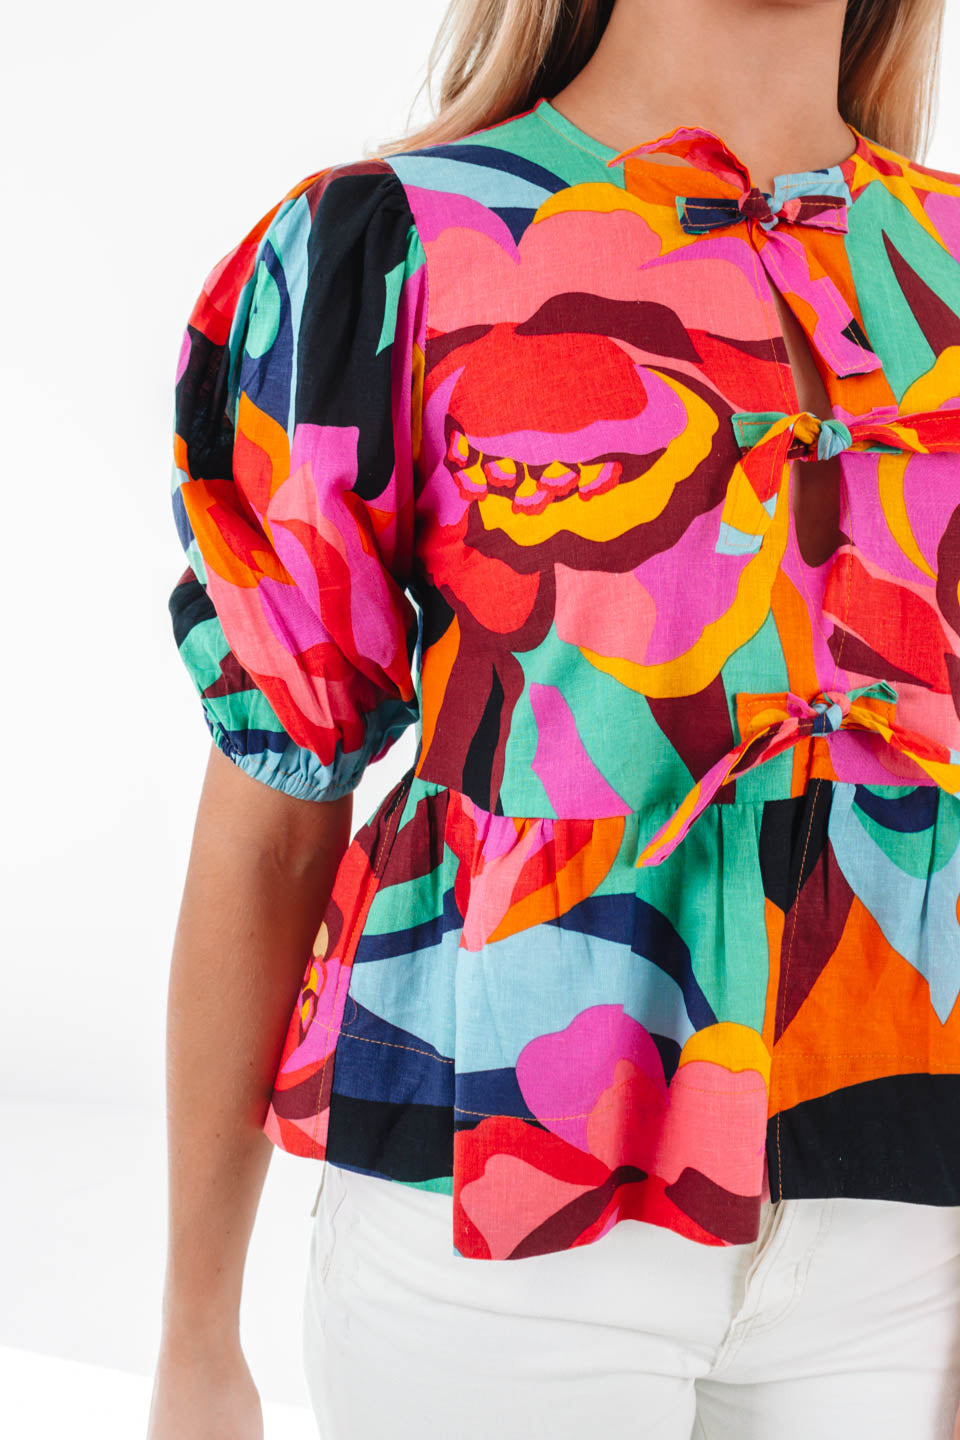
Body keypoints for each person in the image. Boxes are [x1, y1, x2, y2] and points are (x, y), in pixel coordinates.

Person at [148, 0, 960, 1436]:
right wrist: (196, 1337)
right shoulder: (397, 246)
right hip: (501, 1221)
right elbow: (275, 820)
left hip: (909, 1242)